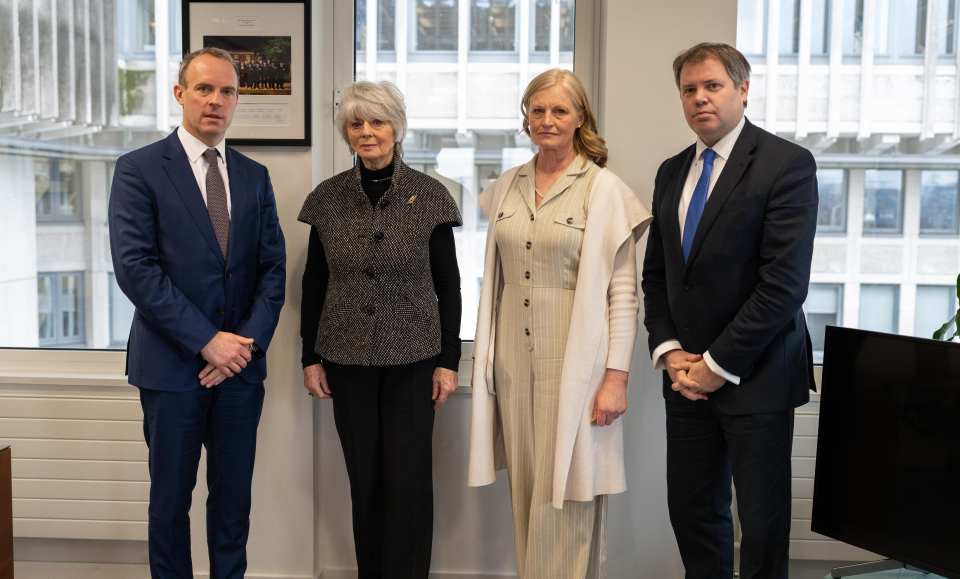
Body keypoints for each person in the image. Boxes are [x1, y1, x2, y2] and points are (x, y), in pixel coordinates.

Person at [641, 42, 818, 579]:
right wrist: (671, 354)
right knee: (692, 513)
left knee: (762, 527)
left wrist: (715, 367)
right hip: (685, 381)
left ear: (742, 89)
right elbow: (657, 276)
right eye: (689, 90)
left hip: (756, 374)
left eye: (712, 86)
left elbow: (783, 286)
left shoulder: (786, 164)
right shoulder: (672, 171)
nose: (700, 99)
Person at [108, 47, 286, 578]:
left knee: (233, 505)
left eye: (227, 91)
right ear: (180, 93)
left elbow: (272, 272)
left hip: (239, 372)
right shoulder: (139, 169)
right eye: (204, 89)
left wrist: (242, 346)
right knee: (169, 505)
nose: (216, 101)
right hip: (171, 368)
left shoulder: (254, 176)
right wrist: (208, 341)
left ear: (236, 101)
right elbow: (136, 270)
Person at [468, 69, 651, 579]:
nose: (547, 120)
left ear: (580, 119)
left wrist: (616, 377)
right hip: (511, 363)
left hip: (574, 363)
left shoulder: (605, 190)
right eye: (537, 109)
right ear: (525, 116)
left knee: (567, 494)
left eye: (559, 111)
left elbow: (622, 294)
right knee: (527, 488)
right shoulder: (504, 188)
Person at [297, 81, 462, 579]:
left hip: (413, 360)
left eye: (378, 122)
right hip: (345, 361)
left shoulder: (431, 196)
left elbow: (449, 288)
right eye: (356, 123)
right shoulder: (327, 199)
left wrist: (448, 362)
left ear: (396, 128)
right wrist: (310, 356)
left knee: (408, 481)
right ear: (346, 132)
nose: (367, 132)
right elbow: (314, 283)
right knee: (363, 480)